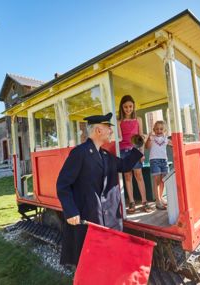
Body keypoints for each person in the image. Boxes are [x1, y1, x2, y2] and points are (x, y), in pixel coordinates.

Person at [56, 112, 143, 266]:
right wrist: (70, 211)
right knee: (90, 263)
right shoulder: (80, 153)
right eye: (108, 127)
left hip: (110, 220)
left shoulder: (105, 155)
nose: (111, 131)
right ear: (98, 130)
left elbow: (124, 166)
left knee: (108, 261)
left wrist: (138, 147)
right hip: (90, 218)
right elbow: (63, 184)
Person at [117, 95, 152, 213]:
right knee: (127, 176)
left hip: (135, 150)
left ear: (133, 106)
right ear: (122, 107)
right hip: (123, 151)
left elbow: (141, 137)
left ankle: (144, 202)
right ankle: (131, 202)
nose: (128, 109)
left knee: (139, 175)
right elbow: (119, 138)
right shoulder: (119, 121)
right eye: (125, 107)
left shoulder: (138, 120)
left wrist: (141, 153)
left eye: (130, 106)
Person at [145, 120, 172, 210]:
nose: (159, 131)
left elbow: (173, 144)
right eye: (157, 129)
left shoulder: (166, 139)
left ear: (164, 130)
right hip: (154, 160)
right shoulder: (152, 138)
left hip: (164, 161)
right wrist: (149, 138)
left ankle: (161, 198)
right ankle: (157, 201)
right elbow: (147, 147)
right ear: (154, 129)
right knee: (156, 181)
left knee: (163, 181)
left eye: (161, 129)